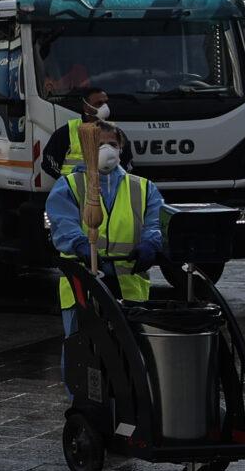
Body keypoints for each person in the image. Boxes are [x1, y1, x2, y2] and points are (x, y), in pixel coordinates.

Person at [47, 137, 168, 400]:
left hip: (129, 283)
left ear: (121, 149)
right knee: (83, 350)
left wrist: (150, 245)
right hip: (84, 283)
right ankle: (85, 404)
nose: (107, 149)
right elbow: (62, 224)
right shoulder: (70, 185)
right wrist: (79, 245)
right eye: (100, 142)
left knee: (131, 351)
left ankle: (131, 403)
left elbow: (155, 221)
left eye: (113, 142)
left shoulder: (142, 187)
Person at [37, 85, 128, 181]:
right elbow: (49, 162)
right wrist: (66, 182)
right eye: (99, 103)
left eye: (106, 102)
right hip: (75, 191)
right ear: (86, 107)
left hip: (108, 188)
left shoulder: (115, 132)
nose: (105, 107)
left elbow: (127, 162)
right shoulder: (67, 131)